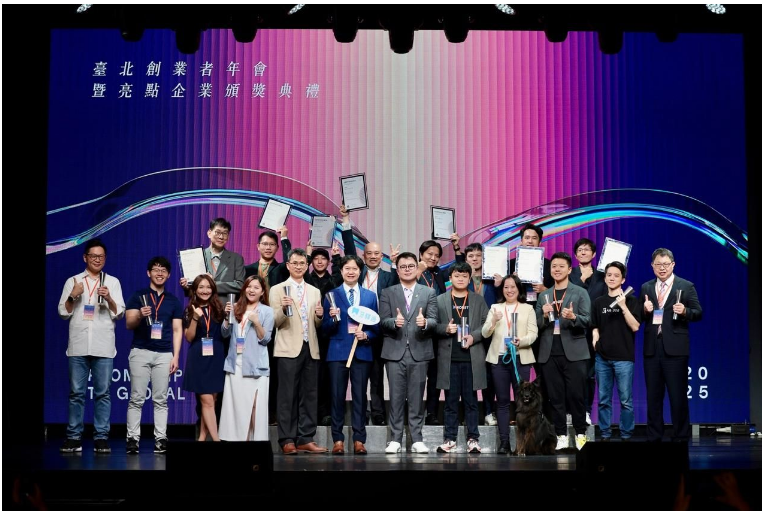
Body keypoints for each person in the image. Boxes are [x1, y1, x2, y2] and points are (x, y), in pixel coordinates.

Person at [58, 239, 125, 453]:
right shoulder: (73, 281)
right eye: (93, 256)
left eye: (101, 256)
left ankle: (101, 437)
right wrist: (73, 295)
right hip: (78, 345)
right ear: (85, 257)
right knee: (76, 393)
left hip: (103, 345)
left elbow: (119, 313)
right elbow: (63, 312)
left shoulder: (112, 282)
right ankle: (73, 437)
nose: (97, 260)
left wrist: (109, 298)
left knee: (103, 393)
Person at [339, 204, 400, 426]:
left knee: (376, 375)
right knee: (359, 375)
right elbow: (348, 250)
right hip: (355, 329)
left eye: (377, 253)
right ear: (363, 256)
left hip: (379, 331)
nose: (373, 257)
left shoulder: (387, 276)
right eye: (369, 253)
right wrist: (346, 222)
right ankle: (361, 413)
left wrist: (395, 264)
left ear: (381, 256)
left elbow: (396, 288)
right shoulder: (358, 271)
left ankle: (378, 414)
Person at [640, 248, 702, 443]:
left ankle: (681, 436)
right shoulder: (646, 287)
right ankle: (654, 436)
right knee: (653, 397)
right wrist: (644, 310)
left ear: (673, 265)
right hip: (652, 348)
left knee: (678, 396)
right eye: (658, 264)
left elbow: (698, 312)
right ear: (652, 266)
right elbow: (640, 317)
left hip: (675, 349)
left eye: (666, 264)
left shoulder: (686, 286)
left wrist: (685, 311)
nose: (662, 268)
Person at [379, 252, 438, 454]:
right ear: (397, 270)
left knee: (416, 397)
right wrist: (393, 322)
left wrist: (425, 322)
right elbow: (383, 321)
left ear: (416, 267)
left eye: (410, 266)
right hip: (394, 351)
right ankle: (395, 439)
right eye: (403, 266)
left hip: (420, 350)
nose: (407, 269)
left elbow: (434, 320)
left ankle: (417, 439)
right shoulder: (387, 292)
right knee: (395, 397)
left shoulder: (428, 292)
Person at [269, 249, 328, 454]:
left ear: (307, 265)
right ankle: (287, 439)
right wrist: (283, 310)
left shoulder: (314, 291)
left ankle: (306, 438)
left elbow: (316, 324)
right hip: (287, 348)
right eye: (294, 263)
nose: (298, 266)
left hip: (310, 347)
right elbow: (274, 322)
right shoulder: (277, 289)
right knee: (287, 395)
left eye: (302, 263)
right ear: (288, 265)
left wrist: (319, 316)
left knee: (310, 395)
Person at [124, 256, 183, 454]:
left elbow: (177, 330)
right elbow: (129, 324)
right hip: (140, 351)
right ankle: (132, 439)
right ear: (148, 273)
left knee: (161, 399)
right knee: (136, 398)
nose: (160, 273)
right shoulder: (138, 296)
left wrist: (175, 356)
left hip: (164, 354)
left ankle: (161, 439)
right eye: (156, 269)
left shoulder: (173, 301)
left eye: (163, 270)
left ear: (169, 275)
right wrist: (140, 314)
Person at [322, 255, 380, 454]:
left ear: (360, 271)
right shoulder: (331, 295)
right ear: (341, 271)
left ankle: (359, 440)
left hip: (362, 352)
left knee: (360, 397)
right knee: (336, 396)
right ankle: (337, 439)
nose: (351, 272)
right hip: (337, 352)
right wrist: (332, 319)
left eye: (354, 268)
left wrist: (366, 335)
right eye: (347, 268)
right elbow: (325, 329)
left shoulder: (369, 296)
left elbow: (376, 328)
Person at [535, 252, 591, 451]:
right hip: (549, 352)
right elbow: (536, 324)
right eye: (554, 266)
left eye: (561, 266)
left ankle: (581, 434)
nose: (557, 269)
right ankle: (561, 435)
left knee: (576, 395)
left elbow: (588, 320)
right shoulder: (544, 295)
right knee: (555, 397)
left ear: (569, 269)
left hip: (575, 352)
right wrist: (543, 315)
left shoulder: (580, 292)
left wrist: (574, 317)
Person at [434, 262, 489, 453]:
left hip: (471, 358)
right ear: (450, 278)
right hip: (448, 359)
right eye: (457, 276)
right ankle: (450, 439)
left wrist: (474, 336)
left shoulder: (478, 300)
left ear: (469, 278)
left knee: (471, 401)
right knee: (450, 401)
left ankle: (473, 439)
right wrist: (445, 328)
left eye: (464, 276)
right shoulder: (440, 300)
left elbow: (487, 325)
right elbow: (432, 324)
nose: (460, 279)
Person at [482, 274, 539, 454]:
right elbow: (484, 333)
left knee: (523, 402)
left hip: (521, 359)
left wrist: (521, 341)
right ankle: (504, 443)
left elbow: (533, 334)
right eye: (506, 287)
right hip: (499, 360)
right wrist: (493, 321)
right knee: (503, 402)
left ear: (519, 288)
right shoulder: (495, 307)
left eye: (513, 286)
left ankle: (524, 444)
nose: (509, 290)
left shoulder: (528, 309)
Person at [243, 226, 291, 423]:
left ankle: (271, 412)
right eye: (264, 244)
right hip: (250, 324)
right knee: (250, 368)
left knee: (272, 370)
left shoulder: (281, 269)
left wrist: (285, 238)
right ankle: (250, 411)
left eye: (272, 244)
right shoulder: (247, 269)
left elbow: (290, 260)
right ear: (258, 246)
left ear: (277, 248)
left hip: (274, 324)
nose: (268, 247)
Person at [219, 276, 275, 441]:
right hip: (236, 365)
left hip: (256, 366)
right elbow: (225, 334)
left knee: (255, 407)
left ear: (262, 292)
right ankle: (239, 442)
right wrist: (226, 317)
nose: (252, 290)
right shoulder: (236, 307)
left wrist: (257, 322)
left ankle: (255, 443)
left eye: (256, 287)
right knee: (237, 409)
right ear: (244, 289)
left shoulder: (267, 311)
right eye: (249, 287)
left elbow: (265, 339)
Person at [591, 261, 641, 442]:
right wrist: (595, 340)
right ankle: (605, 434)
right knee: (603, 399)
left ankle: (626, 435)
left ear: (623, 279)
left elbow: (635, 326)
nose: (612, 278)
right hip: (602, 358)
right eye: (609, 275)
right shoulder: (598, 302)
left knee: (625, 400)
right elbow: (595, 326)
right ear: (605, 278)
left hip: (623, 358)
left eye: (616, 275)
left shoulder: (632, 301)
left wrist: (623, 306)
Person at [417, 237, 465, 425]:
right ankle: (415, 413)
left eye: (437, 255)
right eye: (429, 254)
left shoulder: (439, 273)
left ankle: (432, 413)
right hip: (417, 330)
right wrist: (417, 271)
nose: (433, 258)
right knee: (417, 377)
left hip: (438, 330)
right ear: (421, 254)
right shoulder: (412, 270)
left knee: (435, 376)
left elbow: (459, 269)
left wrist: (456, 248)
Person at [181, 276, 230, 442]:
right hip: (198, 357)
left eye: (208, 287)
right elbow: (189, 337)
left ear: (213, 289)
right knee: (207, 401)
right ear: (195, 290)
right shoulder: (189, 310)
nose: (205, 290)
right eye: (201, 287)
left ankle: (202, 438)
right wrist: (195, 317)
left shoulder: (219, 308)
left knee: (211, 401)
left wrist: (228, 317)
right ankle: (216, 440)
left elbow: (225, 333)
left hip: (216, 356)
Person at [304, 242, 343, 426]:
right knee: (310, 375)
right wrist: (307, 254)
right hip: (309, 331)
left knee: (327, 376)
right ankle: (310, 413)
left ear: (328, 262)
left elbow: (338, 276)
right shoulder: (307, 279)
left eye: (323, 259)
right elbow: (302, 272)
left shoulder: (333, 280)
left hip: (329, 332)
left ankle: (325, 412)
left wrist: (336, 257)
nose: (319, 262)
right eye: (316, 259)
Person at [569, 237, 607, 426]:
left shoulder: (602, 275)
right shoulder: (570, 273)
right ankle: (570, 411)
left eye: (587, 249)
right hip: (572, 329)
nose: (583, 252)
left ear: (593, 254)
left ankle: (585, 410)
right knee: (571, 374)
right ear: (575, 255)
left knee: (589, 376)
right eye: (580, 250)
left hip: (593, 331)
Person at [464, 242, 499, 426]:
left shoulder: (494, 278)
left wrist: (500, 285)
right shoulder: (462, 279)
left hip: (492, 331)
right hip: (469, 331)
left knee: (489, 375)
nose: (475, 259)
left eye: (478, 255)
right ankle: (469, 414)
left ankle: (488, 411)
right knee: (468, 374)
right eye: (471, 256)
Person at [181, 218, 245, 301]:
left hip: (225, 307)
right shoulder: (198, 256)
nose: (221, 237)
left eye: (225, 233)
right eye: (217, 232)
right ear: (209, 233)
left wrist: (213, 284)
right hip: (201, 306)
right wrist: (187, 287)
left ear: (228, 236)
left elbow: (240, 285)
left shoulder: (236, 259)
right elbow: (192, 290)